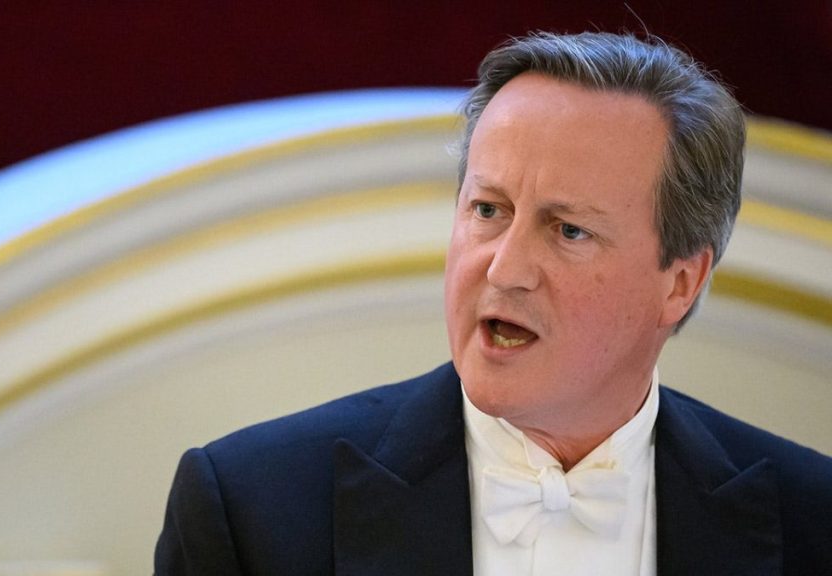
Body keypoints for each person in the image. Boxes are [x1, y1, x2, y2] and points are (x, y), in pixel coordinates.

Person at [154, 31, 832, 575]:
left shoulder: (813, 523)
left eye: (568, 230)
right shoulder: (251, 509)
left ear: (679, 282)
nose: (504, 270)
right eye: (488, 209)